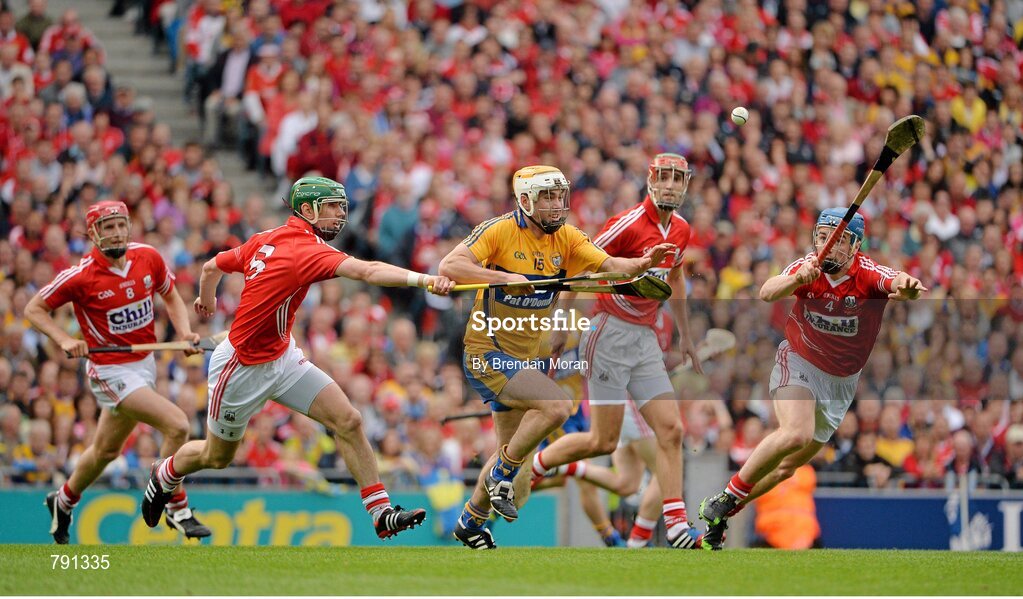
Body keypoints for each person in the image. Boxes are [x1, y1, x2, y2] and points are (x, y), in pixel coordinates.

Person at [139, 176, 455, 540]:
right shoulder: (305, 249)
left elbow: (211, 267)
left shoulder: (265, 238)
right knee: (216, 456)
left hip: (282, 357)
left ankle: (380, 511)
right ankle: (164, 474)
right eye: (332, 207)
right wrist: (425, 280)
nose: (340, 215)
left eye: (341, 206)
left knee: (348, 420)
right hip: (240, 367)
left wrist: (206, 300)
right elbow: (367, 271)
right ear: (307, 210)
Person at [439, 165, 673, 549]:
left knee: (519, 481)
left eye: (559, 196)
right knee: (557, 407)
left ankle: (471, 520)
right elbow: (450, 266)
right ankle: (501, 472)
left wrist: (643, 263)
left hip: (524, 362)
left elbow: (611, 266)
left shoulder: (567, 238)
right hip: (486, 353)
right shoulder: (498, 230)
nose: (556, 205)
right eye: (547, 197)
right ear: (526, 200)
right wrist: (503, 278)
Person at [698, 208, 927, 550]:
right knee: (796, 432)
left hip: (841, 384)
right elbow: (766, 291)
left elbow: (897, 281)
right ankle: (725, 497)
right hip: (799, 360)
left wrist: (906, 287)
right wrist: (796, 280)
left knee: (786, 469)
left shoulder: (866, 273)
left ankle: (723, 511)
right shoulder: (808, 266)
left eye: (835, 241)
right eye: (822, 238)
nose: (826, 247)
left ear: (854, 246)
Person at [530, 153, 705, 549]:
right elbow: (579, 266)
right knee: (602, 442)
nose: (671, 185)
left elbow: (675, 277)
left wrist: (685, 334)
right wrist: (561, 324)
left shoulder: (680, 230)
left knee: (672, 430)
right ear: (650, 179)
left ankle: (676, 526)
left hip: (644, 339)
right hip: (607, 333)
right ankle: (536, 465)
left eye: (678, 179)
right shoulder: (626, 224)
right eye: (664, 177)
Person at [25, 200, 211, 544]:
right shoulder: (80, 276)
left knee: (105, 451)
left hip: (144, 364)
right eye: (108, 227)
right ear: (93, 233)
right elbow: (34, 309)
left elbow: (170, 297)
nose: (117, 233)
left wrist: (184, 333)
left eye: (121, 225)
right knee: (178, 424)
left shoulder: (148, 257)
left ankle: (62, 501)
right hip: (109, 371)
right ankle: (176, 505)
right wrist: (65, 339)